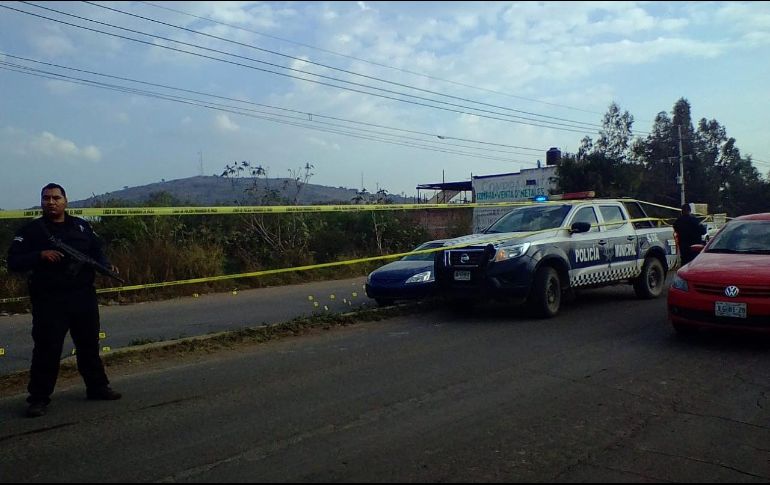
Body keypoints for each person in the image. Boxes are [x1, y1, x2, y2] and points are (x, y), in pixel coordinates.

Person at [7, 183, 122, 418]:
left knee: (89, 345)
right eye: (46, 198)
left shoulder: (81, 226)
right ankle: (38, 398)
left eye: (56, 198)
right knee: (47, 349)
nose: (51, 202)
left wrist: (106, 266)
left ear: (65, 201)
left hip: (82, 296)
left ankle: (97, 387)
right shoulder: (32, 231)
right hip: (50, 299)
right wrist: (39, 255)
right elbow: (13, 261)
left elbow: (96, 251)